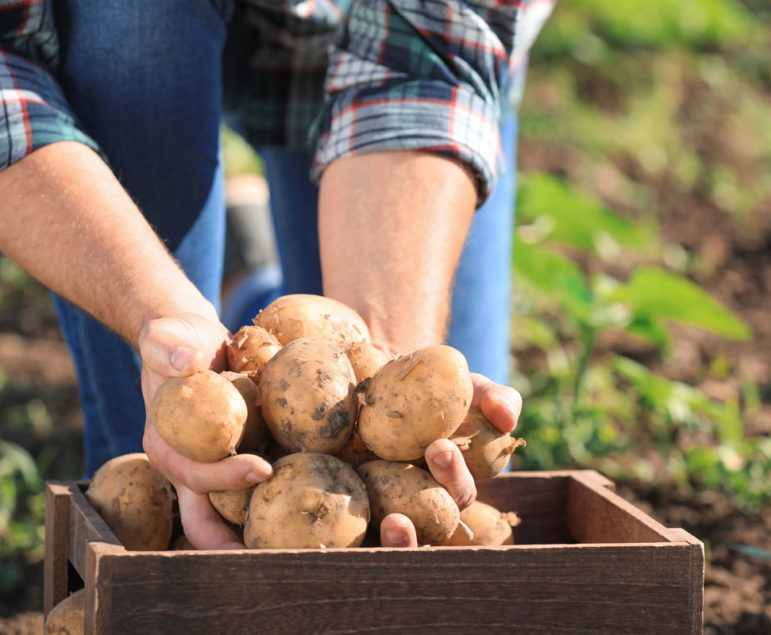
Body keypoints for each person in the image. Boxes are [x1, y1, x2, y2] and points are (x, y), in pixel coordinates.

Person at [0, 1, 553, 549]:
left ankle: (247, 276)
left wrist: (387, 354)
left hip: (397, 44)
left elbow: (428, 57)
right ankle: (224, 285)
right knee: (165, 486)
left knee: (469, 460)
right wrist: (160, 317)